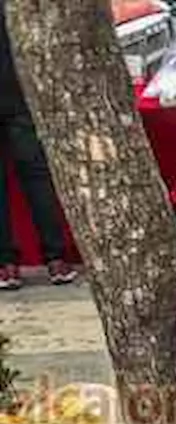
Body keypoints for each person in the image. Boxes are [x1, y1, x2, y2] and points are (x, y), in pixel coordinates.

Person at [0, 11, 77, 291]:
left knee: (35, 177)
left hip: (19, 90)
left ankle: (6, 264)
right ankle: (56, 257)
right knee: (37, 177)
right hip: (21, 88)